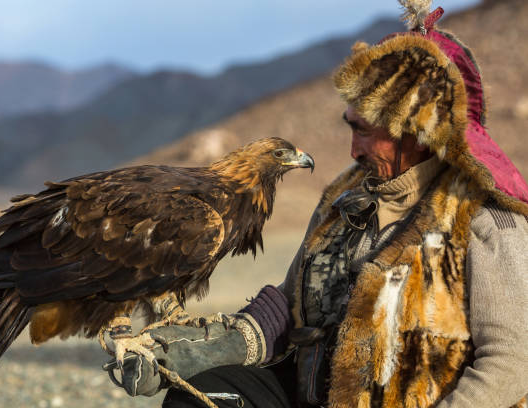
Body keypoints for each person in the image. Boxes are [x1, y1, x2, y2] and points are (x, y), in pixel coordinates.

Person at [110, 2, 528, 407]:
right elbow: (288, 310)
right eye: (350, 127)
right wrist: (187, 354)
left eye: (365, 131)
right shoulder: (341, 203)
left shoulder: (487, 223)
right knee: (203, 394)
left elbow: (512, 362)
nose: (353, 150)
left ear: (414, 131)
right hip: (313, 394)